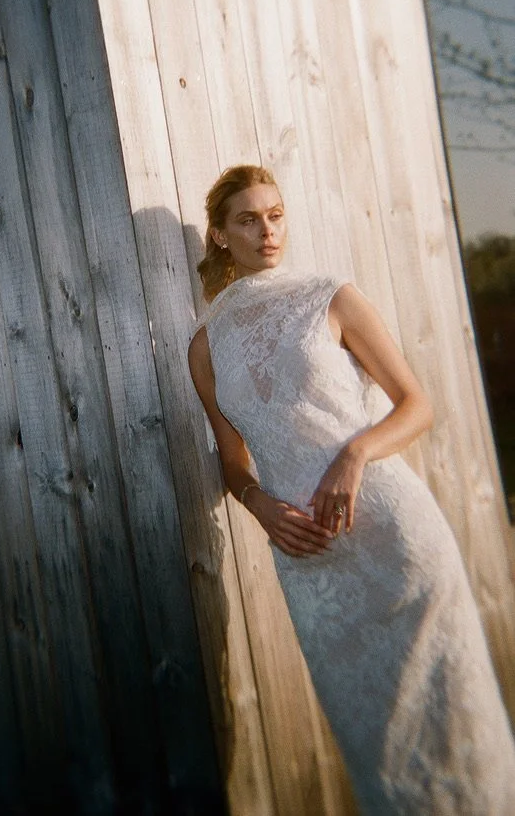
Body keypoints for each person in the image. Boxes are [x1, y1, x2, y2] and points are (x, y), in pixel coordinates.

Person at [187, 164, 515, 814]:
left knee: (457, 725)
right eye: (248, 219)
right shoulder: (204, 345)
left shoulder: (328, 295)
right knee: (377, 751)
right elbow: (231, 459)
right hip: (311, 562)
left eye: (276, 214)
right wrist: (258, 507)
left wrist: (354, 454)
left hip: (395, 540)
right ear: (221, 235)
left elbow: (415, 405)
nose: (267, 229)